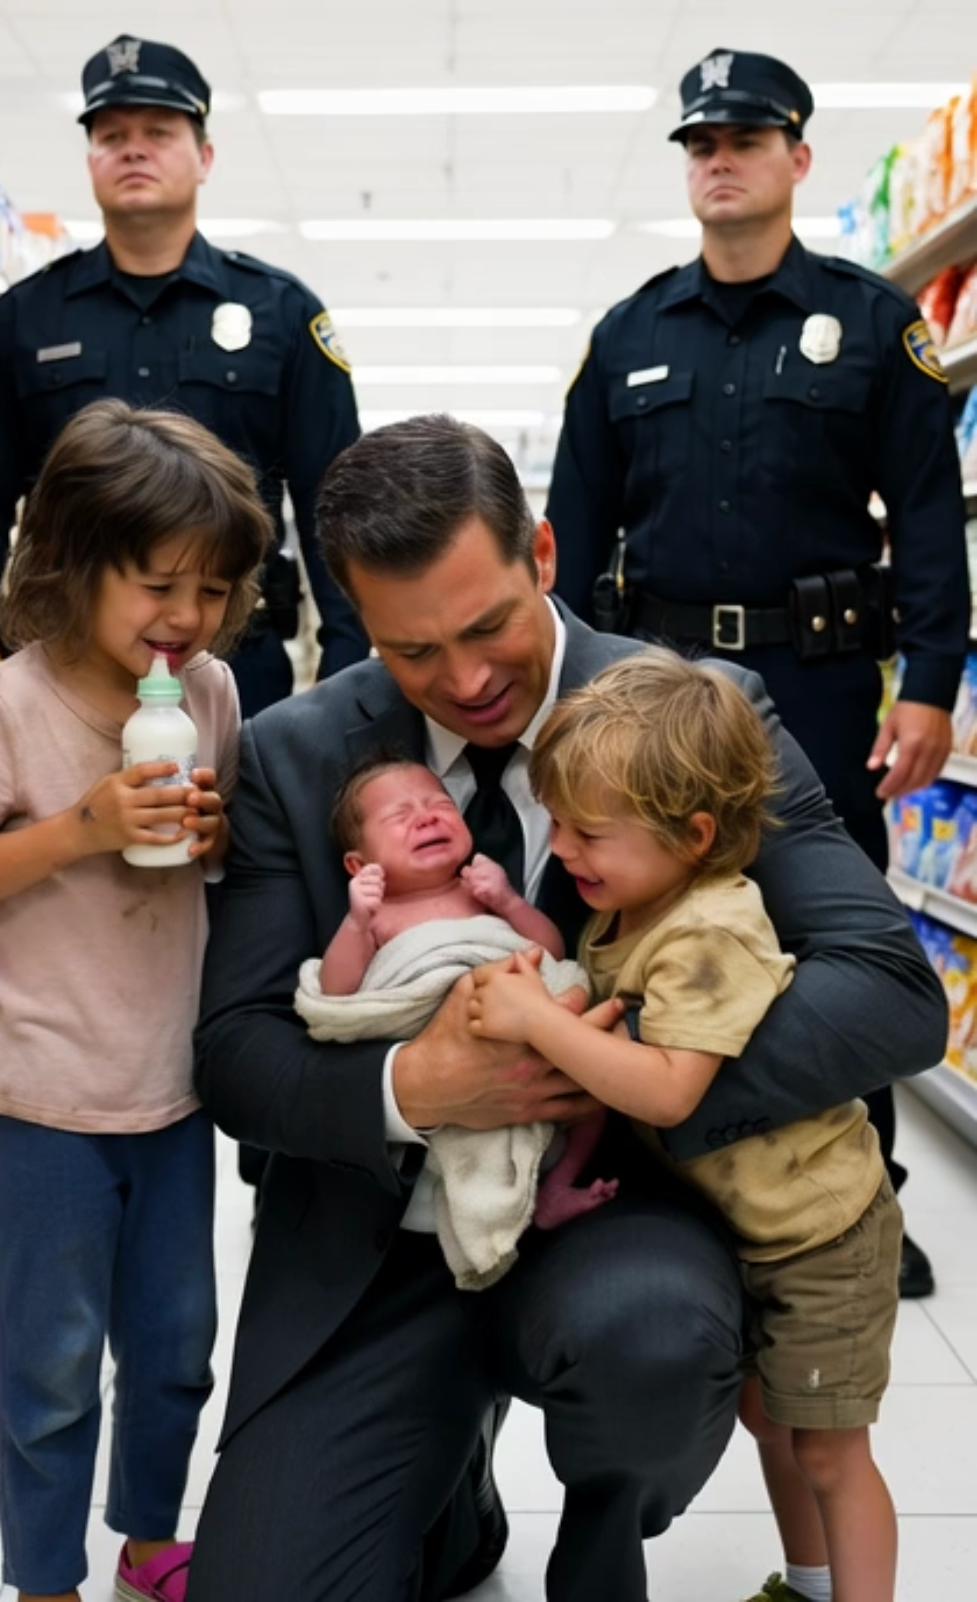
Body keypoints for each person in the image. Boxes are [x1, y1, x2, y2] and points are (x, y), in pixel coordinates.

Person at [188, 413, 945, 1602]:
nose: (470, 680)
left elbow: (891, 992)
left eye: (487, 625)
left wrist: (618, 1066)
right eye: (414, 652)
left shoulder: (702, 711)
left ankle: (604, 1523)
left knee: (655, 1348)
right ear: (353, 615)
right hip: (374, 1236)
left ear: (543, 551)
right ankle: (450, 1494)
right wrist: (410, 1088)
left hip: (616, 1211)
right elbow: (235, 1055)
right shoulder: (293, 754)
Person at [0, 31, 368, 1278]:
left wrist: (360, 688)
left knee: (265, 921)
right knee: (65, 929)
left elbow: (336, 505)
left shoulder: (282, 316)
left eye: (157, 129)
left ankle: (284, 1167)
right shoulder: (28, 319)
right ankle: (44, 1168)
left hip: (247, 681)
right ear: (92, 155)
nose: (133, 146)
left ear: (202, 153)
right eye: (111, 130)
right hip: (60, 684)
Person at [546, 46, 971, 1309]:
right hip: (658, 692)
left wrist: (932, 682)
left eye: (742, 139)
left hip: (825, 677)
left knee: (836, 936)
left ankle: (864, 1206)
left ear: (797, 157)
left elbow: (933, 518)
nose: (717, 160)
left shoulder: (876, 325)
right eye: (698, 145)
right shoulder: (629, 335)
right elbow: (570, 528)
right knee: (644, 923)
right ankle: (657, 1195)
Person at [0, 400, 273, 1602]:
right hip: (45, 1102)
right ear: (73, 556)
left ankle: (151, 1538)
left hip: (171, 1091)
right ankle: (42, 1577)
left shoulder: (209, 693)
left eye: (214, 591)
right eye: (160, 585)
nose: (188, 620)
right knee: (51, 1363)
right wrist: (77, 829)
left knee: (174, 1351)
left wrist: (213, 838)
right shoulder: (9, 707)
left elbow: (216, 871)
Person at [468, 647, 902, 1602]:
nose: (565, 850)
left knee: (830, 1449)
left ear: (696, 833)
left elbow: (667, 1092)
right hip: (754, 1229)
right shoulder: (629, 905)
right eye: (559, 824)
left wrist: (539, 1022)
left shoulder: (709, 926)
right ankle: (811, 1582)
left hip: (823, 1234)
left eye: (588, 832)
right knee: (772, 1423)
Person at [296, 755, 614, 1289]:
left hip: (526, 1027)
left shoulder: (480, 894)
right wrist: (356, 922)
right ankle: (469, 1202)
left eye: (441, 804)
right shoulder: (377, 919)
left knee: (598, 1083)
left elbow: (548, 952)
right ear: (358, 866)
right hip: (446, 1054)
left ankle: (557, 1184)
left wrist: (509, 901)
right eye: (400, 816)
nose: (427, 817)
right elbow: (338, 991)